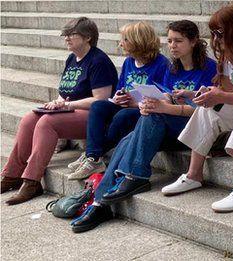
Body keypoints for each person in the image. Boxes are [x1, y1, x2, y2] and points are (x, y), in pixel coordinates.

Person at [70, 20, 217, 232]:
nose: (172, 46)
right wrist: (152, 103)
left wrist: (163, 108)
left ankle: (137, 175)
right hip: (167, 125)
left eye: (178, 41)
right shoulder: (173, 68)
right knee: (127, 139)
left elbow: (206, 112)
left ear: (194, 42)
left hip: (193, 130)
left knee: (150, 117)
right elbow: (166, 97)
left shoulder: (209, 68)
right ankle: (99, 204)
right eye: (169, 41)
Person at [157, 4, 233, 212]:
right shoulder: (231, 51)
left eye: (219, 32)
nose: (216, 38)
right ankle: (194, 174)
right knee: (207, 108)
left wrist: (222, 95)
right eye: (213, 33)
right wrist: (204, 95)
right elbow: (231, 91)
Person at [1, 17, 118, 205]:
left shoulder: (98, 61)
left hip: (96, 117)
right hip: (71, 110)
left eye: (72, 34)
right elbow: (65, 93)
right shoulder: (72, 58)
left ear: (88, 37)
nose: (67, 38)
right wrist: (57, 102)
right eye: (65, 35)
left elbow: (101, 100)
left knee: (47, 123)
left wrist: (67, 106)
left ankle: (32, 181)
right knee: (30, 118)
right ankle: (11, 174)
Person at [66, 22, 169, 180]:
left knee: (123, 116)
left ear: (138, 41)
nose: (121, 44)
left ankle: (92, 155)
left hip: (145, 110)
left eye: (125, 40)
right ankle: (93, 158)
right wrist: (118, 97)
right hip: (126, 104)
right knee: (99, 106)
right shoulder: (129, 62)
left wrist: (133, 103)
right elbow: (120, 88)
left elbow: (163, 97)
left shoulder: (162, 64)